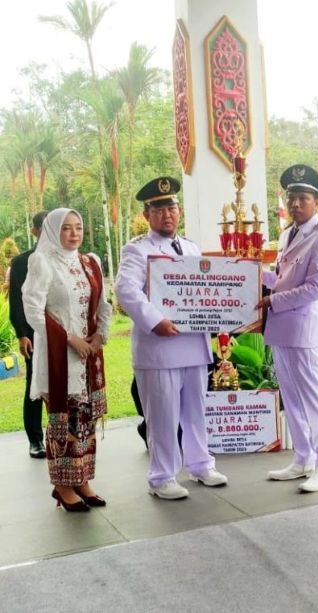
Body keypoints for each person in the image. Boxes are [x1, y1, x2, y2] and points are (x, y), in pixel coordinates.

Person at [115, 177, 228, 500]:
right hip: (160, 347)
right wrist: (155, 321)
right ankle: (162, 477)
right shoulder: (137, 249)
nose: (167, 214)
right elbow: (126, 290)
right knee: (163, 417)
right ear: (147, 214)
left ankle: (201, 465)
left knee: (196, 412)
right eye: (159, 209)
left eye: (172, 207)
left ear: (179, 211)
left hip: (193, 344)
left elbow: (205, 290)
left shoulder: (191, 248)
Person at [22, 208, 112, 512]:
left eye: (78, 227)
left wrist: (99, 336)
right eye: (66, 228)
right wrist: (70, 339)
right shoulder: (42, 262)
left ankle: (82, 480)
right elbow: (33, 309)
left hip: (88, 358)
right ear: (52, 231)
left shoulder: (90, 262)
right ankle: (63, 486)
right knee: (64, 422)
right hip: (59, 357)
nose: (74, 233)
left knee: (85, 420)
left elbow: (103, 305)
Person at [259, 164, 318, 493]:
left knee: (313, 398)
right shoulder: (286, 235)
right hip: (282, 328)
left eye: (303, 198)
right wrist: (252, 274)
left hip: (304, 330)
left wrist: (272, 300)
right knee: (291, 397)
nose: (295, 204)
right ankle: (303, 457)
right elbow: (282, 278)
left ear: (316, 202)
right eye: (291, 197)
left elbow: (315, 288)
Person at [8, 210, 48, 459]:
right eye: (44, 228)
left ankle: (65, 435)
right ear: (35, 231)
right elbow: (17, 301)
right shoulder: (22, 261)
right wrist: (22, 334)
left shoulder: (70, 258)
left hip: (66, 333)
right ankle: (35, 440)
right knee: (35, 383)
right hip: (34, 334)